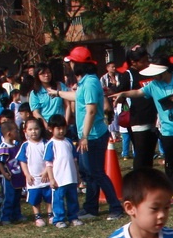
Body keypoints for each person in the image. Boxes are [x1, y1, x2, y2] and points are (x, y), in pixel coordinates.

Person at [113, 61, 173, 203]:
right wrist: (123, 93)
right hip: (167, 131)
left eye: (156, 75)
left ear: (165, 72)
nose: (154, 78)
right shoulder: (153, 85)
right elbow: (139, 92)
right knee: (172, 162)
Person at [48, 46, 124, 220]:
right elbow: (77, 97)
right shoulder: (85, 82)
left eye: (72, 62)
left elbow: (90, 110)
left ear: (79, 64)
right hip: (89, 135)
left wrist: (84, 136)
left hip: (93, 136)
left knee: (96, 172)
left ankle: (115, 207)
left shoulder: (89, 83)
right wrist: (57, 93)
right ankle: (91, 207)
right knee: (88, 173)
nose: (70, 65)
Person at [116, 47, 159, 170]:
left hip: (153, 118)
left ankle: (148, 181)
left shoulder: (150, 72)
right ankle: (138, 181)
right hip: (137, 120)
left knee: (150, 153)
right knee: (141, 154)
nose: (147, 63)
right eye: (143, 61)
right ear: (133, 62)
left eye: (147, 60)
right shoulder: (128, 75)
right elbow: (119, 94)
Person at [43, 114, 82, 229]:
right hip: (59, 179)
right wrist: (51, 179)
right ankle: (58, 219)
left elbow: (74, 160)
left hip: (71, 177)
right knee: (58, 200)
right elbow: (48, 164)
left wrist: (77, 174)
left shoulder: (69, 142)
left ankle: (73, 217)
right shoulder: (51, 144)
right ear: (51, 129)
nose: (61, 131)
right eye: (58, 128)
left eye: (63, 128)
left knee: (73, 198)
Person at [20, 118, 52, 227]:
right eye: (30, 129)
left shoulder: (47, 144)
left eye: (36, 129)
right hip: (33, 179)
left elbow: (50, 160)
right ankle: (38, 216)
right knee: (35, 199)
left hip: (46, 178)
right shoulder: (25, 145)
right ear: (25, 131)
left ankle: (50, 214)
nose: (33, 131)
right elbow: (23, 162)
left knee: (49, 197)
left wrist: (47, 172)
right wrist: (27, 174)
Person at [0, 119, 24, 224]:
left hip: (17, 176)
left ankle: (16, 214)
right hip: (8, 178)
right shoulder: (4, 148)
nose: (18, 132)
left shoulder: (16, 146)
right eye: (16, 131)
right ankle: (4, 217)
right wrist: (4, 173)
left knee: (17, 197)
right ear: (9, 134)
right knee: (8, 198)